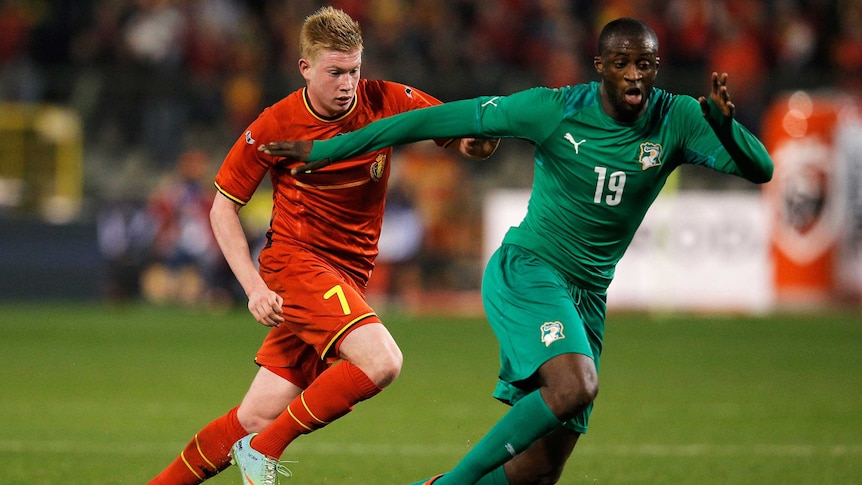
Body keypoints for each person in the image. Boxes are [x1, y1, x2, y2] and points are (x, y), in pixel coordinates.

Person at [259, 17, 774, 485]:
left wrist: (729, 128)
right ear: (601, 67)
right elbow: (425, 124)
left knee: (538, 471)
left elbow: (761, 170)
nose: (634, 76)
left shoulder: (677, 117)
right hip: (530, 270)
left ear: (657, 68)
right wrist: (328, 148)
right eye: (621, 64)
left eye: (645, 65)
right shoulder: (554, 108)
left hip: (589, 296)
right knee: (576, 384)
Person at [147, 7, 498, 485]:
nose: (347, 83)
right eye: (335, 72)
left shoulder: (383, 99)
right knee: (381, 361)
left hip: (346, 278)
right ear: (305, 68)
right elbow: (221, 208)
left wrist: (476, 143)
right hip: (298, 265)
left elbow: (457, 134)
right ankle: (263, 453)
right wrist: (253, 287)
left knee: (253, 416)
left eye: (354, 70)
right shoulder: (275, 126)